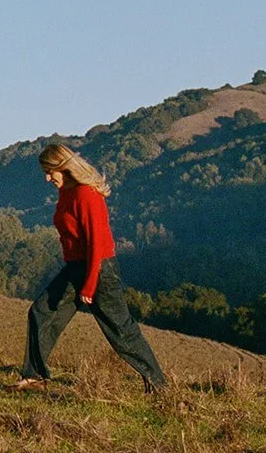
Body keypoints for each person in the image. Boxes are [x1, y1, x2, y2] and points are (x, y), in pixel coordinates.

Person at [10, 143, 167, 392]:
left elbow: (96, 243)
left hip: (100, 269)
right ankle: (34, 376)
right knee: (41, 312)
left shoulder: (86, 195)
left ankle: (159, 385)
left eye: (50, 171)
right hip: (76, 267)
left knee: (120, 330)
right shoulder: (67, 193)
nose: (47, 178)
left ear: (63, 167)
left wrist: (90, 283)